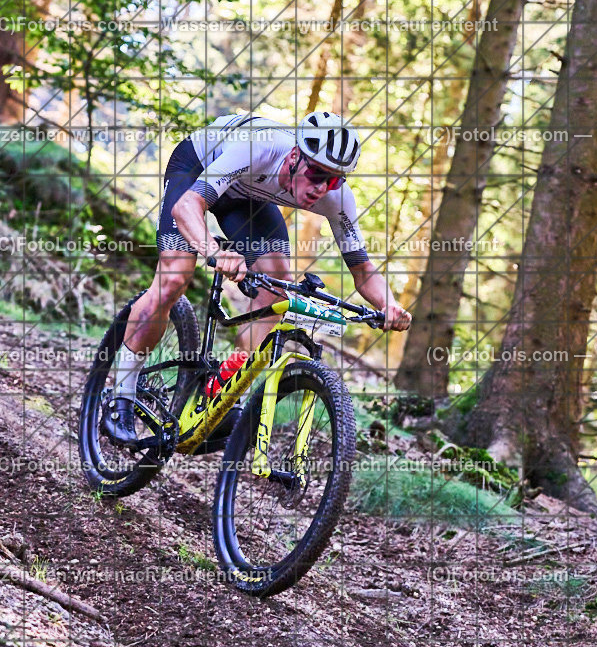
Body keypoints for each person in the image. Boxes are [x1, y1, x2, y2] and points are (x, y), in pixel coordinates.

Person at [104, 111, 412, 444]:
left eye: (334, 180)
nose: (321, 187)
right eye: (316, 173)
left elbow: (362, 269)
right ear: (294, 156)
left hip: (249, 198)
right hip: (197, 168)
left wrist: (389, 305)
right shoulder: (257, 148)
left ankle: (220, 390)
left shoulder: (336, 200)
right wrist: (215, 251)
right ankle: (121, 392)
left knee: (277, 291)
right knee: (175, 277)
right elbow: (186, 207)